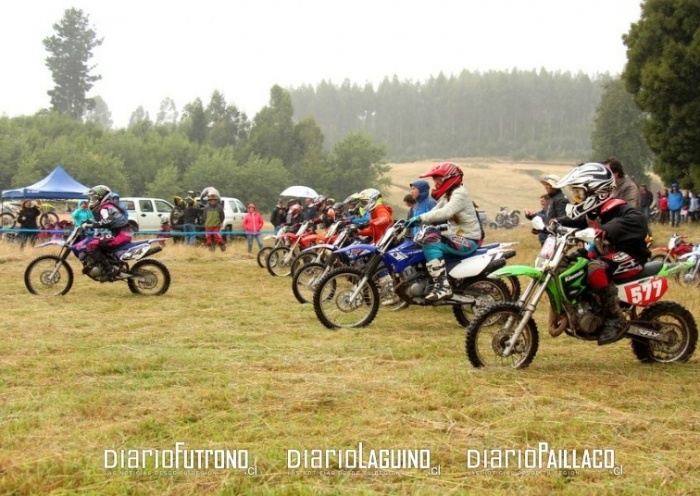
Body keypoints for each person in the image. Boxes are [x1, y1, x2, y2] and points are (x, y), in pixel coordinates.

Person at [554, 163, 650, 346]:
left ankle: (615, 319)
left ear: (598, 192)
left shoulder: (619, 209)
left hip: (630, 256)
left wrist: (605, 230)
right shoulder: (593, 212)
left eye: (579, 193)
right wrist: (554, 223)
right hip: (603, 253)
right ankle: (580, 308)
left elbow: (637, 220)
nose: (576, 198)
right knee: (565, 262)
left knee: (595, 268)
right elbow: (576, 221)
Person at [406, 162, 483, 301]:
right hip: (458, 237)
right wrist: (414, 220)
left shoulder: (460, 194)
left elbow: (446, 212)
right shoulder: (448, 195)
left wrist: (420, 218)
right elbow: (435, 212)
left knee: (431, 241)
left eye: (438, 180)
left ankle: (443, 287)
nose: (436, 183)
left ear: (450, 178)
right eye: (435, 180)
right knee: (426, 235)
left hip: (469, 240)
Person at [83, 185, 133, 279]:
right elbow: (106, 221)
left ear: (101, 197)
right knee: (98, 241)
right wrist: (90, 222)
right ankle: (111, 263)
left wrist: (91, 225)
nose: (91, 200)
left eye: (94, 197)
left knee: (91, 245)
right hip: (121, 233)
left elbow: (108, 221)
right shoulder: (107, 206)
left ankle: (110, 270)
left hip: (121, 234)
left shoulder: (104, 208)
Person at [526, 174, 569, 246]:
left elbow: (563, 220)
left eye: (548, 184)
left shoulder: (560, 200)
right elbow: (545, 215)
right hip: (548, 237)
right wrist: (531, 216)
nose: (545, 187)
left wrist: (546, 228)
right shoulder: (552, 199)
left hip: (554, 239)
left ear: (555, 186)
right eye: (545, 184)